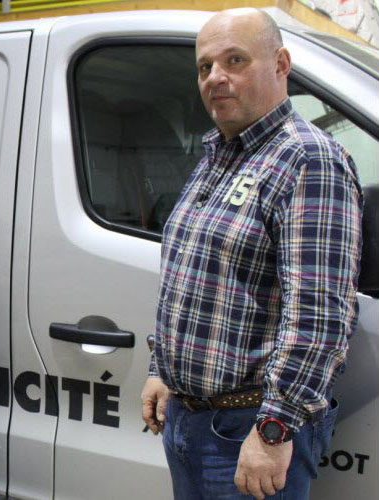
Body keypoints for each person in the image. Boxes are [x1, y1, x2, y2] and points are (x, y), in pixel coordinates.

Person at [140, 8, 363, 500]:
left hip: (248, 429)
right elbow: (188, 279)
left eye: (234, 60)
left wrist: (274, 430)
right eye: (205, 67)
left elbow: (319, 316)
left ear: (280, 64)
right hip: (188, 420)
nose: (215, 77)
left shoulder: (308, 160)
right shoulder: (218, 156)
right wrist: (162, 371)